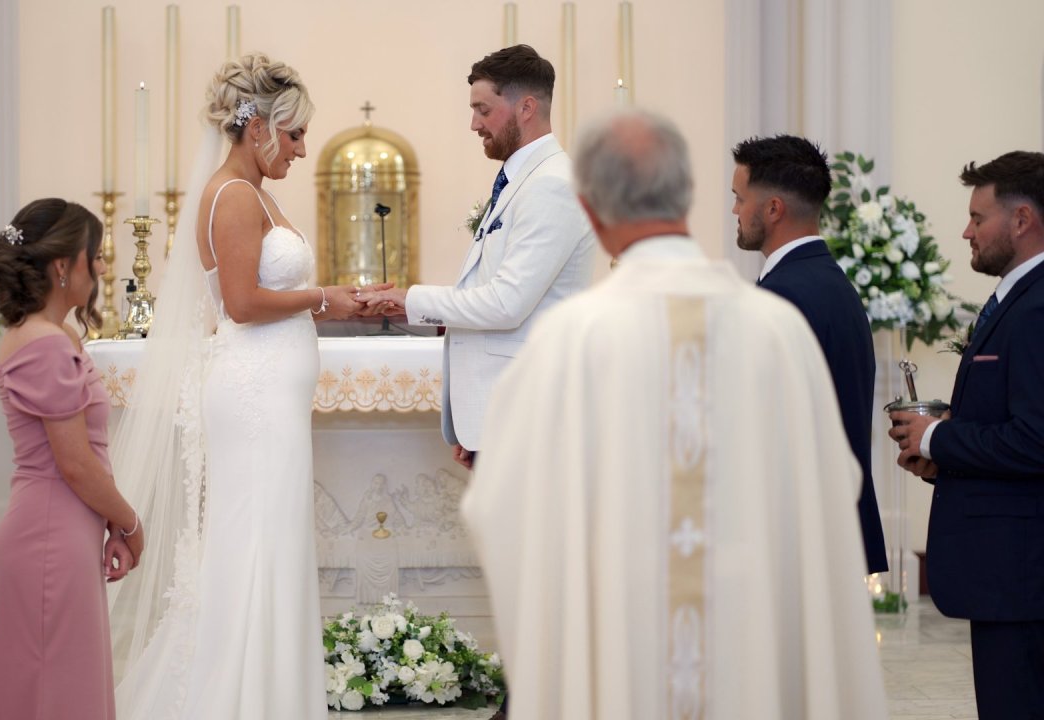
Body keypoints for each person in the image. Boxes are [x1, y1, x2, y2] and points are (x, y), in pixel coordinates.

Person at [461, 109, 888, 719]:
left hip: (621, 636)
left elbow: (498, 505)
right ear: (686, 197)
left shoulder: (571, 339)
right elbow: (833, 480)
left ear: (591, 210)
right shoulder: (775, 331)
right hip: (748, 626)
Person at [109, 53, 366, 719]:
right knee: (255, 548)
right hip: (254, 399)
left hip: (267, 396)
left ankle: (267, 696)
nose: (303, 149)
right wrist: (323, 299)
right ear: (259, 130)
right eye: (295, 134)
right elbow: (244, 303)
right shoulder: (232, 195)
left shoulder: (248, 191)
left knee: (269, 545)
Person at [358, 44, 595, 472]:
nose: (474, 124)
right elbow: (485, 289)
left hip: (528, 413)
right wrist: (474, 423)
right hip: (501, 413)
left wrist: (409, 301)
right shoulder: (520, 179)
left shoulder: (552, 185)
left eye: (483, 110)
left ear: (526, 107)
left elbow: (506, 303)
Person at [889, 151, 1044, 720]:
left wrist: (937, 439)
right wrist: (940, 455)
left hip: (1022, 578)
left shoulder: (1038, 306)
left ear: (1022, 219)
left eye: (978, 218)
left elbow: (1036, 439)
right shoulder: (1014, 297)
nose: (966, 230)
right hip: (1008, 575)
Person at [0, 198, 143, 720]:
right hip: (51, 531)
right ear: (61, 267)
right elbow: (73, 463)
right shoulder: (46, 344)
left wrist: (107, 524)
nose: (98, 268)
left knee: (57, 686)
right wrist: (130, 520)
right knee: (55, 693)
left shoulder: (52, 335)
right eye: (91, 256)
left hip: (62, 526)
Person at [731, 135, 889, 575]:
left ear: (773, 208)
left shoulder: (785, 295)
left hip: (797, 535)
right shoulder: (830, 283)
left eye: (739, 199)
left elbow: (761, 421)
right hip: (831, 521)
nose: (734, 212)